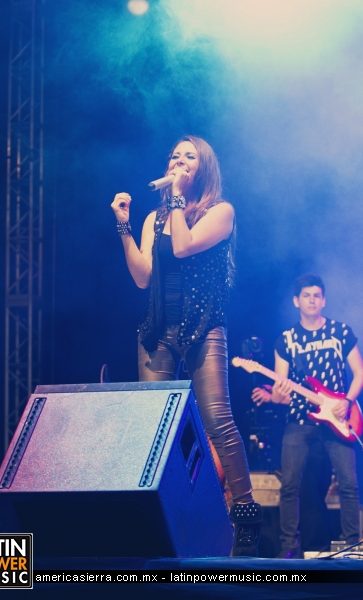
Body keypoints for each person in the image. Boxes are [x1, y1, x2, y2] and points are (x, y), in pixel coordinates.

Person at [111, 135, 261, 557]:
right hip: (158, 329)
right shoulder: (154, 218)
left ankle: (246, 514)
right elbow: (142, 277)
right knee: (154, 426)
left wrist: (176, 198)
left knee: (217, 421)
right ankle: (159, 518)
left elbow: (183, 246)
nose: (179, 161)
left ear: (203, 167)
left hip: (204, 326)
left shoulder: (221, 212)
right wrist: (124, 225)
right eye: (174, 156)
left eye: (189, 157)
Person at [252, 274, 363, 558]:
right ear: (296, 301)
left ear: (323, 300)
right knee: (290, 486)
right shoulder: (286, 340)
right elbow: (282, 394)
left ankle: (353, 544)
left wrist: (347, 401)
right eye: (306, 295)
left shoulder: (340, 332)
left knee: (349, 484)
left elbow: (359, 372)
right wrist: (276, 394)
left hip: (339, 417)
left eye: (316, 295)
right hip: (300, 420)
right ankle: (289, 548)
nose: (312, 300)